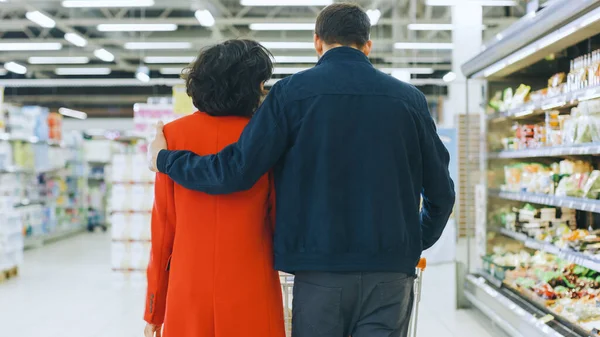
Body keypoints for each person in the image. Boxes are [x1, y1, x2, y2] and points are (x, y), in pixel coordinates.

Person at [148, 3, 455, 337]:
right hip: (390, 272)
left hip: (320, 271)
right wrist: (411, 242)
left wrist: (166, 160)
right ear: (368, 45)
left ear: (317, 42)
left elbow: (236, 170)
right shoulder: (409, 100)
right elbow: (441, 193)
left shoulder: (290, 95)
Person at [143, 39, 285, 337]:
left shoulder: (172, 135)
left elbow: (164, 229)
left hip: (188, 286)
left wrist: (155, 307)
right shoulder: (264, 137)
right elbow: (278, 218)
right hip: (253, 283)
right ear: (253, 86)